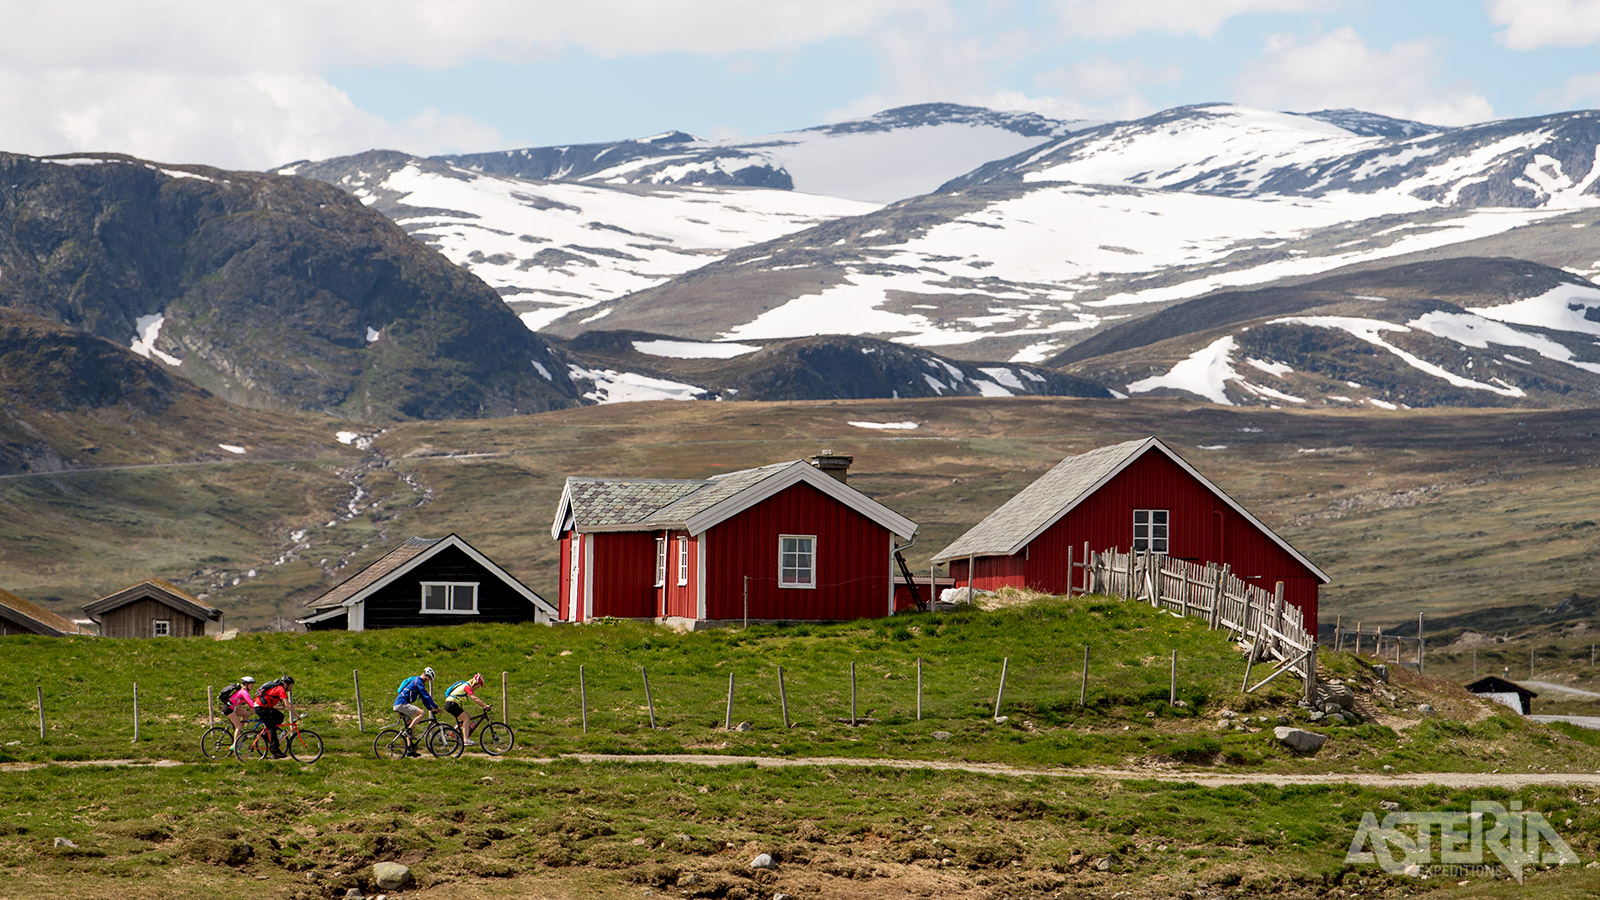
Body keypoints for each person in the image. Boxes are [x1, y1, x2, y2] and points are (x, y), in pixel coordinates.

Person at [393, 667, 438, 752]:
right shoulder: (418, 681)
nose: (429, 681)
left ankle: (410, 749)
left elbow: (423, 699)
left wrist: (430, 709)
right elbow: (426, 695)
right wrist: (436, 706)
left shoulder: (418, 682)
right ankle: (408, 731)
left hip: (399, 704)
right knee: (421, 713)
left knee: (411, 725)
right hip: (402, 704)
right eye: (429, 679)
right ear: (427, 676)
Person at [443, 673, 492, 745]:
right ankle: (466, 740)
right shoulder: (467, 686)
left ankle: (452, 732)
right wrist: (485, 705)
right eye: (478, 686)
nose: (477, 688)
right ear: (475, 683)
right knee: (466, 718)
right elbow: (474, 698)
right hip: (451, 704)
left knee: (465, 718)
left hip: (450, 704)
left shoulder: (465, 685)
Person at [256, 675, 297, 758]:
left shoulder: (278, 688)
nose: (290, 688)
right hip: (261, 708)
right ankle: (275, 750)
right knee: (272, 728)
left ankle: (266, 734)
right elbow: (287, 705)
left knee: (280, 716)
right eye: (290, 686)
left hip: (263, 707)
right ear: (286, 684)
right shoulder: (280, 689)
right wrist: (297, 715)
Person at [224, 676, 257, 751]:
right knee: (238, 726)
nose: (252, 686)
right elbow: (251, 702)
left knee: (246, 715)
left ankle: (239, 732)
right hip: (229, 709)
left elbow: (248, 703)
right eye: (251, 684)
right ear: (246, 684)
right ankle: (234, 745)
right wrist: (258, 709)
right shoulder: (244, 692)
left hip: (232, 708)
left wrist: (255, 710)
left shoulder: (243, 692)